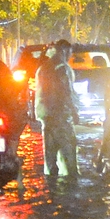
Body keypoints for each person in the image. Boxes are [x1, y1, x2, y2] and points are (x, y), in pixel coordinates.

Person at [36, 38, 78, 182]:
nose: (70, 56)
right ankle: (70, 185)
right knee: (69, 154)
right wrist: (74, 111)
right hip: (61, 116)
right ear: (65, 51)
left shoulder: (44, 68)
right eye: (70, 52)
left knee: (50, 155)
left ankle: (51, 185)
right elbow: (67, 92)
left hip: (47, 116)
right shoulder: (62, 68)